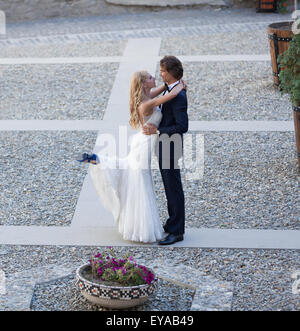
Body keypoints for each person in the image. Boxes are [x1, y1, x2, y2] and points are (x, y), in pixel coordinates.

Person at [77, 70, 186, 243]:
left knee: (130, 170)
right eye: (150, 78)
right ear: (143, 84)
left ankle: (98, 159)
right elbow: (170, 95)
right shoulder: (146, 104)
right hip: (144, 144)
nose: (154, 78)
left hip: (144, 141)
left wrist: (169, 83)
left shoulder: (147, 95)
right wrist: (179, 85)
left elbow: (162, 89)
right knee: (138, 179)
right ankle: (142, 228)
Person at [142, 56, 188, 245]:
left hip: (171, 145)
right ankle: (171, 223)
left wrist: (158, 130)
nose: (160, 74)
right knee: (169, 187)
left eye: (162, 71)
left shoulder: (178, 96)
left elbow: (183, 126)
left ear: (169, 73)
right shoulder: (171, 89)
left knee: (173, 188)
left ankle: (177, 231)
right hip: (164, 145)